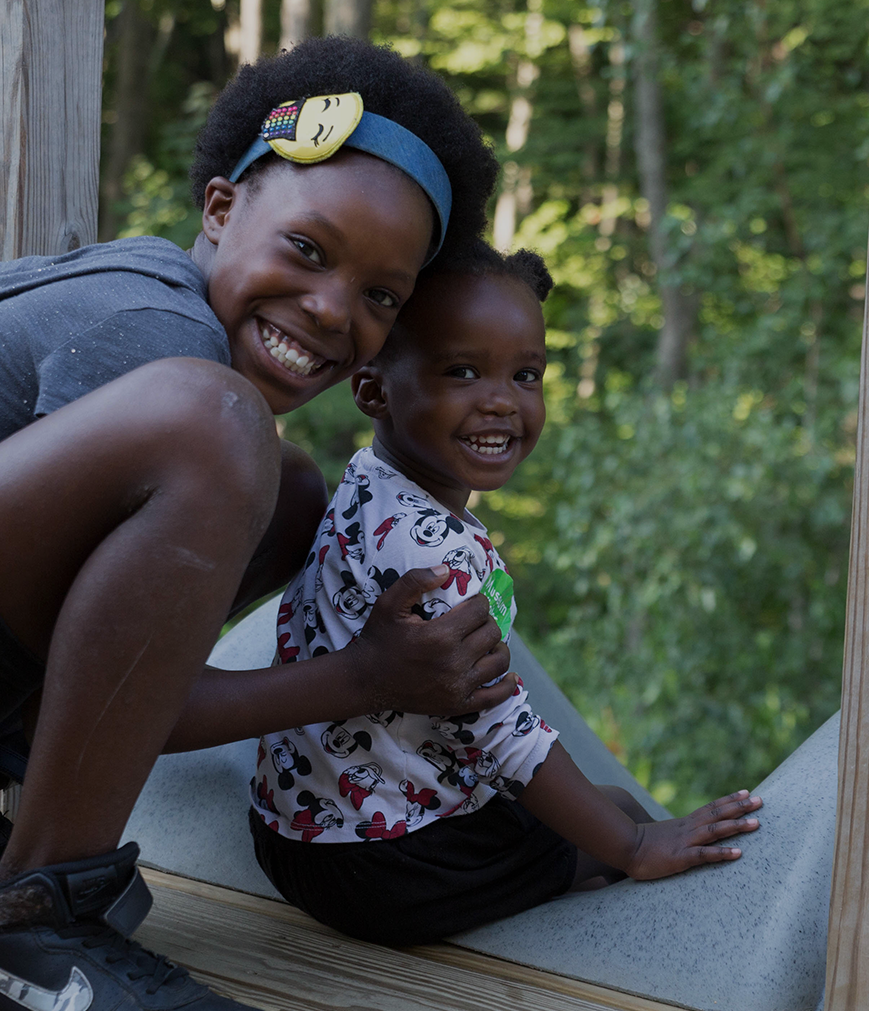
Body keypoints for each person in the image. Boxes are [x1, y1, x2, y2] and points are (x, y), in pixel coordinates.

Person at [0, 37, 509, 1011]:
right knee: (217, 426)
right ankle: (23, 932)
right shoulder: (152, 329)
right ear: (219, 208)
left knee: (289, 492)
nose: (333, 311)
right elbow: (132, 698)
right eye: (308, 250)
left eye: (381, 298)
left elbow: (107, 686)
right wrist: (364, 678)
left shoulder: (153, 314)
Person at [247, 242, 765, 948]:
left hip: (291, 829)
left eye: (526, 375)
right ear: (373, 392)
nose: (501, 401)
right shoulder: (434, 555)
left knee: (607, 807)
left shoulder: (368, 482)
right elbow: (503, 735)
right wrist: (637, 848)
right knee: (621, 826)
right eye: (462, 371)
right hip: (383, 867)